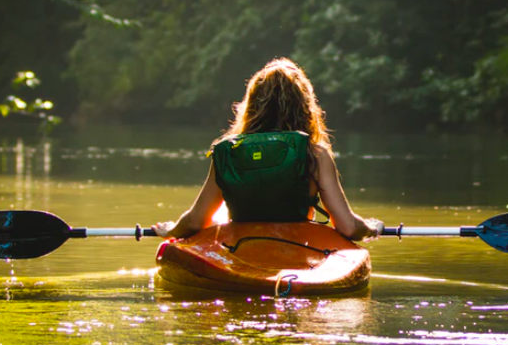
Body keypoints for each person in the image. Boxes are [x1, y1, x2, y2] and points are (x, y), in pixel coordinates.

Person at [152, 58, 383, 241]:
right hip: (297, 249)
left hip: (240, 249)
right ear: (304, 106)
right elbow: (348, 227)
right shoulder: (315, 155)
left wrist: (173, 230)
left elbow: (195, 221)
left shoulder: (229, 152)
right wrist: (371, 227)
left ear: (252, 104)